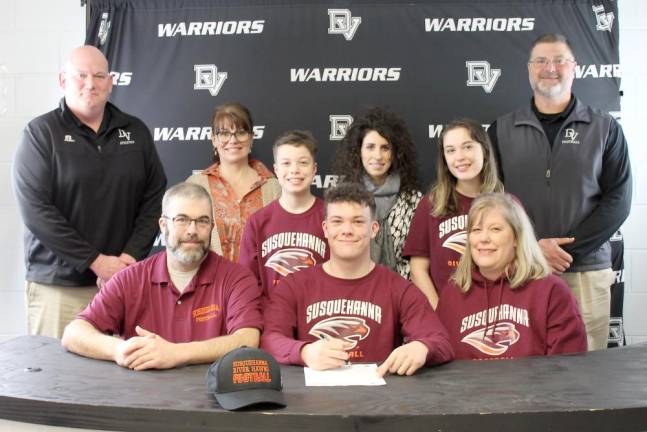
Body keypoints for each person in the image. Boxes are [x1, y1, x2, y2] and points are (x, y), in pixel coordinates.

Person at [488, 33, 632, 351]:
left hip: (586, 271)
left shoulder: (606, 128)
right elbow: (493, 202)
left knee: (585, 370)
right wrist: (533, 250)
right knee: (524, 365)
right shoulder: (501, 129)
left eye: (559, 60)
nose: (549, 67)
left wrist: (566, 252)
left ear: (575, 68)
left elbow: (618, 201)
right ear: (528, 69)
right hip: (521, 270)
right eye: (540, 60)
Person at [12, 45, 167, 338]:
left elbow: (154, 198)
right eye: (80, 75)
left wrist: (127, 261)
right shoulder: (41, 134)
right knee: (56, 381)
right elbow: (36, 210)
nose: (90, 83)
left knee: (119, 381)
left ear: (110, 82)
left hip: (122, 284)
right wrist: (97, 263)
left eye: (99, 75)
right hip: (59, 289)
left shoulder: (135, 132)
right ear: (62, 81)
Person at [61, 182, 263, 370]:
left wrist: (175, 353)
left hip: (212, 399)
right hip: (142, 400)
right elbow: (74, 333)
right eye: (181, 220)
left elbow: (247, 339)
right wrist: (118, 350)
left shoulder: (237, 278)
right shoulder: (131, 278)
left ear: (211, 227)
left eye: (202, 221)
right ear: (163, 225)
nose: (192, 231)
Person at [261, 182, 453, 377]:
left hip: (379, 402)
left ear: (374, 229)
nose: (347, 230)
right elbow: (269, 339)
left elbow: (441, 341)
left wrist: (422, 347)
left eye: (358, 221)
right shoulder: (294, 285)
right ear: (325, 229)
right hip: (314, 403)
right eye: (337, 221)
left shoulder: (398, 288)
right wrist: (304, 352)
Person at [437, 193, 587, 360]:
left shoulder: (552, 292)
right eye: (476, 230)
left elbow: (568, 368)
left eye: (495, 229)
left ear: (516, 237)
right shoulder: (452, 294)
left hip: (536, 386)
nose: (483, 239)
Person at [403, 119, 503, 309]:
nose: (459, 157)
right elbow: (418, 270)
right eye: (451, 150)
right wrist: (441, 314)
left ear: (485, 150)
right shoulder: (430, 204)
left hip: (496, 315)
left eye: (467, 147)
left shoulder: (508, 205)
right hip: (446, 316)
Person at [333, 107, 422, 278]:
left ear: (395, 153)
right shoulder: (342, 198)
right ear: (359, 151)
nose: (378, 156)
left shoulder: (414, 200)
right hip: (353, 291)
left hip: (403, 292)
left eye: (385, 148)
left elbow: (419, 263)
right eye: (370, 147)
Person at [239, 130, 328, 300]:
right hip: (272, 320)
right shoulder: (258, 222)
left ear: (314, 169)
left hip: (316, 317)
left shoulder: (331, 218)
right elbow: (247, 284)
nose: (294, 170)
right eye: (286, 163)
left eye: (303, 162)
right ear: (276, 170)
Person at [187, 102, 281, 262]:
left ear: (251, 138)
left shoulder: (273, 187)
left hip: (259, 285)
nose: (233, 140)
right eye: (224, 133)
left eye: (241, 132)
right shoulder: (195, 186)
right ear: (214, 140)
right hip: (210, 284)